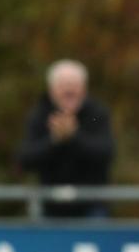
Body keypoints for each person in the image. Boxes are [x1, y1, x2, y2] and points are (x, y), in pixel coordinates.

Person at [19, 59, 115, 218]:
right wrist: (54, 141)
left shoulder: (97, 115)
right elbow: (24, 159)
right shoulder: (39, 115)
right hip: (49, 207)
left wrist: (74, 137)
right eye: (63, 85)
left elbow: (107, 153)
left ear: (85, 89)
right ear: (51, 89)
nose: (69, 90)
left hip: (91, 207)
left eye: (74, 84)